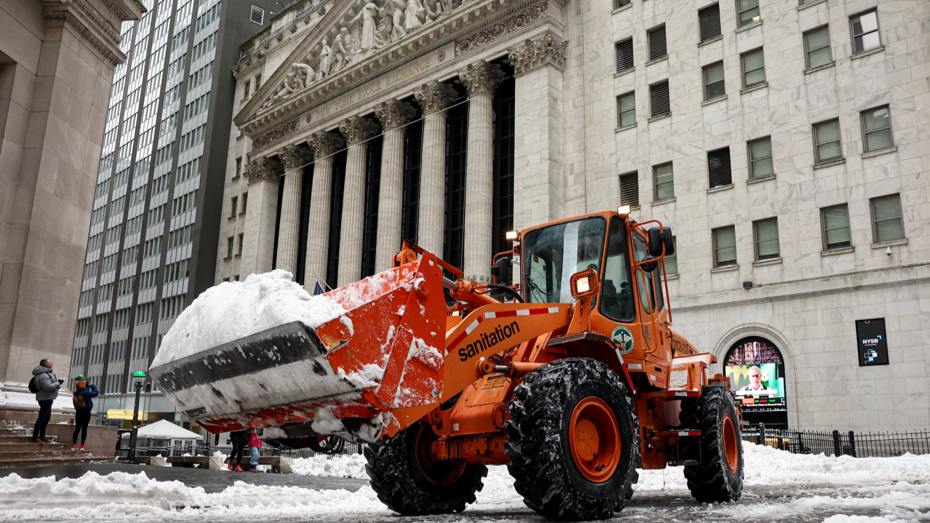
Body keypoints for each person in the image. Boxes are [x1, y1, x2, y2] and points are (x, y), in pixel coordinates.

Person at [32, 359, 63, 443]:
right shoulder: (43, 375)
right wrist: (59, 383)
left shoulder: (47, 374)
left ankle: (42, 436)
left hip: (48, 397)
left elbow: (50, 385)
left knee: (46, 417)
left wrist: (56, 386)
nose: (52, 363)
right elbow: (47, 387)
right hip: (45, 398)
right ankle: (35, 436)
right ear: (46, 364)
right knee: (42, 417)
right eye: (50, 362)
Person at [71, 377, 98, 451]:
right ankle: (82, 445)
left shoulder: (76, 393)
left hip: (78, 412)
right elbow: (96, 392)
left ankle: (74, 445)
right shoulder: (86, 392)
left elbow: (83, 390)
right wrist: (91, 385)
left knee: (77, 428)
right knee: (84, 428)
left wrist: (86, 387)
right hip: (86, 412)